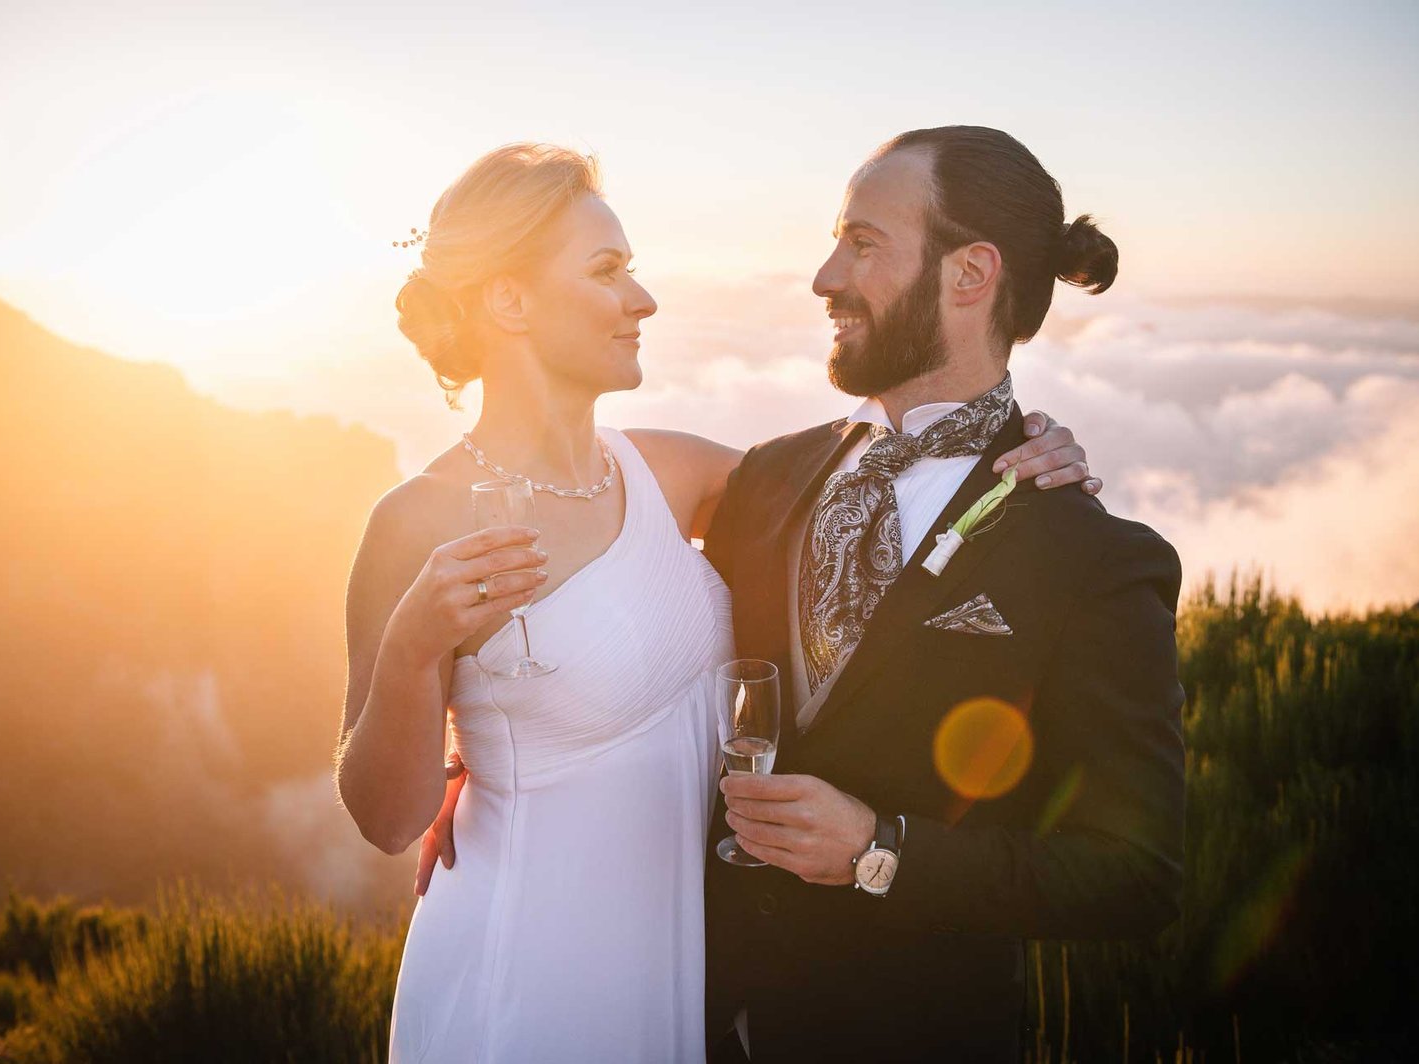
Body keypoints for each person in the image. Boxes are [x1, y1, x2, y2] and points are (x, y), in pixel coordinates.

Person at [334, 143, 1100, 1063]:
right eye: (607, 271)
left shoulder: (678, 472)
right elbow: (386, 822)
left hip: (683, 964)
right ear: (508, 301)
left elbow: (864, 508)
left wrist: (1021, 449)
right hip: (529, 959)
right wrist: (416, 651)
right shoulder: (412, 521)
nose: (643, 298)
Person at [702, 126, 1187, 1062]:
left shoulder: (1092, 559)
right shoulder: (766, 476)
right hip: (698, 1025)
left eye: (864, 243)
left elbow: (1135, 875)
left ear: (970, 275)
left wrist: (882, 853)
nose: (824, 276)